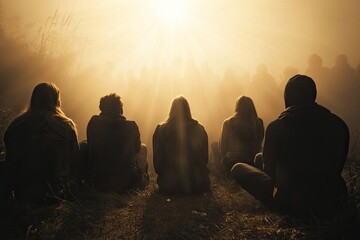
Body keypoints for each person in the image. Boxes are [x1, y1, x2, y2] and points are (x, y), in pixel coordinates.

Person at [232, 75, 350, 218]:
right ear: (313, 94)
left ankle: (276, 205)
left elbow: (269, 173)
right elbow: (338, 166)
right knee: (259, 157)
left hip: (292, 206)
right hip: (332, 202)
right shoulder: (338, 124)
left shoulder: (276, 127)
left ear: (287, 97)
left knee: (238, 168)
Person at [3, 83, 80, 204]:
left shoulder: (16, 123)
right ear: (56, 100)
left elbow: (10, 155)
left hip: (22, 191)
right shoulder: (66, 125)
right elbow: (75, 158)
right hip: (55, 193)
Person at [84, 93, 148, 193]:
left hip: (97, 182)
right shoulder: (131, 126)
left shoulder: (94, 122)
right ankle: (142, 179)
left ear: (101, 108)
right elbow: (137, 149)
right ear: (120, 109)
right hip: (124, 184)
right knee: (143, 148)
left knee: (84, 144)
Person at [153, 96, 210, 194]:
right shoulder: (200, 128)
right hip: (198, 184)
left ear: (171, 109)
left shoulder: (161, 129)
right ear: (188, 109)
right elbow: (205, 159)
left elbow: (157, 164)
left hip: (169, 185)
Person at [211, 96, 264, 171]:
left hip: (233, 163)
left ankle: (220, 170)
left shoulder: (228, 122)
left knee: (214, 144)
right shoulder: (259, 122)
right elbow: (259, 142)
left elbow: (223, 146)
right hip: (252, 162)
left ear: (237, 107)